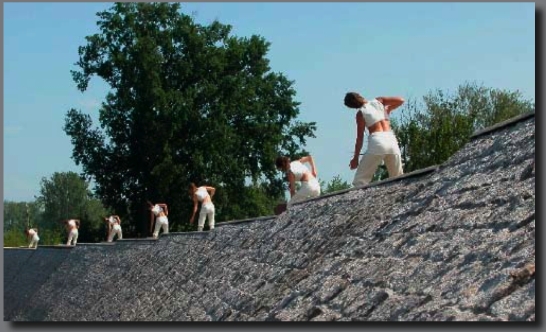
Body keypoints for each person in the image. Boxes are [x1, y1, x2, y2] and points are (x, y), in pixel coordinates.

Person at [343, 92, 405, 187]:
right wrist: (388, 109)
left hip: (378, 141)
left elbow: (360, 138)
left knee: (360, 180)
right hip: (391, 140)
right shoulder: (379, 101)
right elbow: (401, 100)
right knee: (398, 177)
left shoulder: (361, 113)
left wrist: (355, 158)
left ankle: (359, 200)